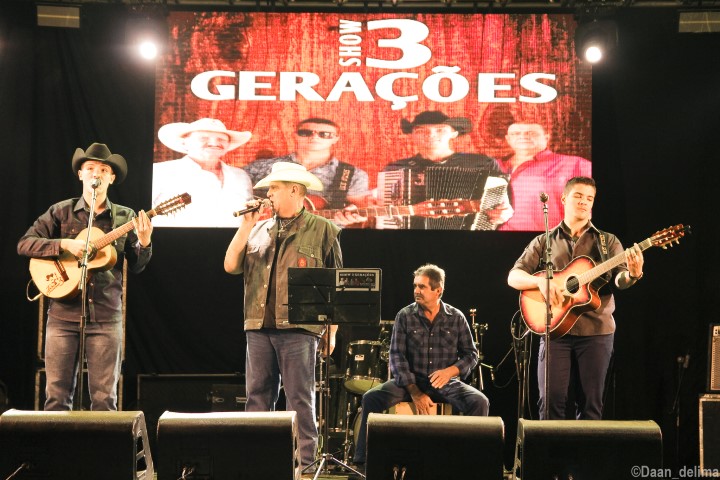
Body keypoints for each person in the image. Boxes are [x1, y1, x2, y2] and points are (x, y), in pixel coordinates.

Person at [224, 162, 343, 470]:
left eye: (274, 188)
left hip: (299, 328)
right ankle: (257, 463)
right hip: (258, 326)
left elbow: (336, 285)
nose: (269, 194)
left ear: (295, 190)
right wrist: (245, 226)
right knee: (257, 396)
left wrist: (331, 331)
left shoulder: (323, 229)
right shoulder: (258, 228)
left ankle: (305, 465)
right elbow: (230, 265)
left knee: (299, 399)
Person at [17, 143, 153, 410]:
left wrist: (145, 243)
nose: (96, 174)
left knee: (104, 400)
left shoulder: (125, 216)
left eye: (103, 169)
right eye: (90, 168)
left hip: (106, 316)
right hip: (62, 315)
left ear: (111, 177)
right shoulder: (61, 212)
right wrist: (65, 244)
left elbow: (137, 266)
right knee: (56, 398)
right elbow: (25, 244)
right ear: (80, 174)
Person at [507, 176, 644, 420]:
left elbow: (619, 281)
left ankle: (585, 448)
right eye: (578, 196)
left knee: (591, 406)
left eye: (589, 198)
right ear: (563, 199)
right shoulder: (544, 240)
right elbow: (514, 277)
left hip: (596, 332)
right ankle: (548, 447)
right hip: (554, 332)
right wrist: (540, 282)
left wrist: (633, 275)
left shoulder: (608, 242)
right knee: (549, 403)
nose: (584, 202)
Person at [351, 264, 489, 472]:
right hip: (410, 383)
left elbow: (471, 354)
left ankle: (470, 465)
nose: (416, 291)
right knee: (371, 398)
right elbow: (396, 356)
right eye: (415, 286)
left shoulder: (456, 317)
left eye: (422, 287)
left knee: (480, 402)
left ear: (438, 290)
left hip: (444, 383)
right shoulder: (405, 316)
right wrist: (415, 392)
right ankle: (363, 463)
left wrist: (450, 372)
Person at [382, 110, 513, 229]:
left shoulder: (484, 163)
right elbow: (386, 213)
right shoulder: (396, 169)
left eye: (440, 130)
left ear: (454, 133)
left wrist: (504, 213)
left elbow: (506, 208)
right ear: (412, 135)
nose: (430, 135)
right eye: (421, 131)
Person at [243, 117, 371, 225]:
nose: (315, 137)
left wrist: (355, 215)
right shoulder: (261, 166)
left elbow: (359, 207)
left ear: (336, 138)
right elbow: (234, 195)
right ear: (295, 135)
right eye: (305, 132)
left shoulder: (352, 174)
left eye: (325, 134)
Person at [152, 118, 254, 227]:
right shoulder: (160, 172)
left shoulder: (241, 176)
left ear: (228, 144)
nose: (214, 143)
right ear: (184, 143)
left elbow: (249, 216)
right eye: (203, 138)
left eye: (221, 139)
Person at [498, 121, 592, 231]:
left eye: (531, 133)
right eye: (516, 134)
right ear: (508, 139)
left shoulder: (576, 164)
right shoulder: (494, 166)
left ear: (546, 138)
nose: (523, 136)